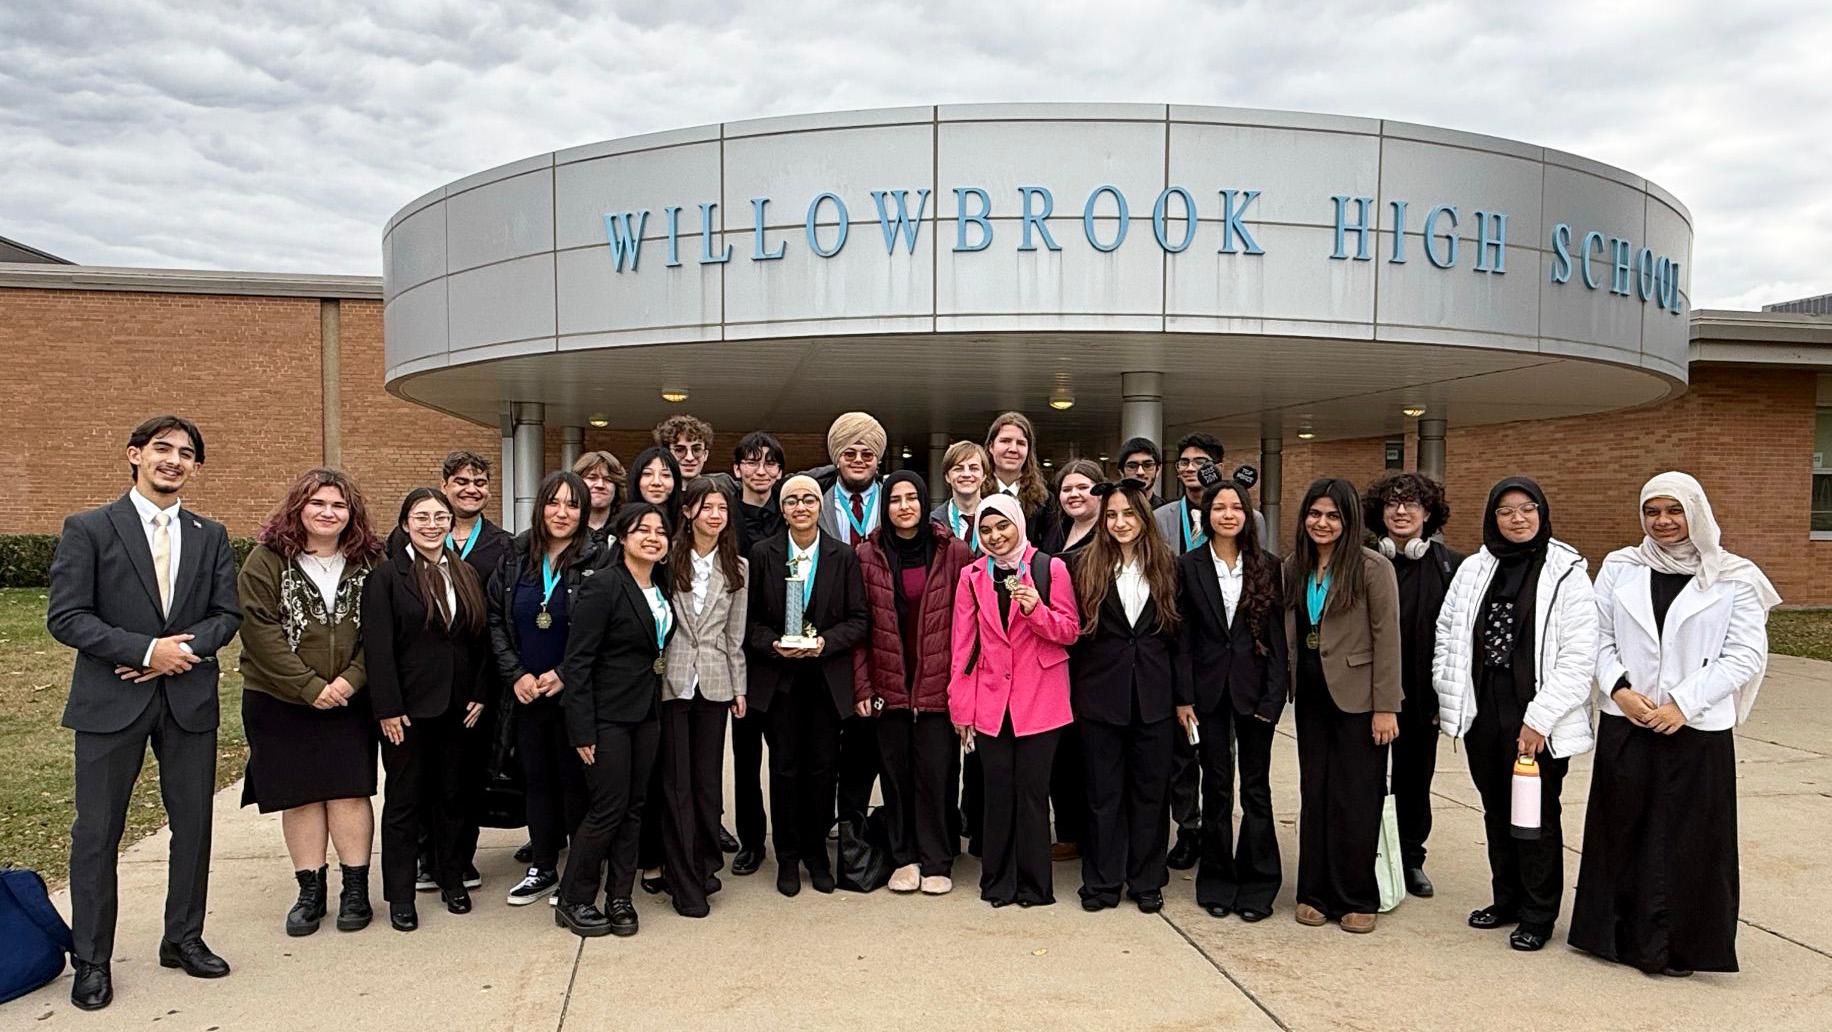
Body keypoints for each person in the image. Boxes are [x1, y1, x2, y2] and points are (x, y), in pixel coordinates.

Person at [48, 415, 242, 1010]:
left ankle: (182, 939)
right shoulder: (89, 528)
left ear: (196, 467)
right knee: (97, 833)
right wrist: (141, 650)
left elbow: (225, 616)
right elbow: (67, 616)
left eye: (187, 454)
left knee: (194, 828)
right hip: (110, 703)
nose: (174, 460)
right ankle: (93, 961)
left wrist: (174, 653)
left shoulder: (211, 534)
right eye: (163, 449)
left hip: (187, 701)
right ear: (135, 454)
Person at [1570, 472, 1780, 976]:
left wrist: (1683, 704)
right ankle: (1616, 938)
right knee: (1622, 829)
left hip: (1695, 728)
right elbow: (1595, 636)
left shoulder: (1735, 575)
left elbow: (1746, 654)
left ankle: (1679, 947)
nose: (1662, 522)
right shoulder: (1621, 567)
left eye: (1673, 511)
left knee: (1688, 840)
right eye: (1651, 511)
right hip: (1630, 718)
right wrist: (1618, 688)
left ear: (1696, 512)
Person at [1432, 477, 1596, 951]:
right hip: (1485, 709)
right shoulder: (1475, 568)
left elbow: (1578, 655)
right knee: (1496, 810)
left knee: (1536, 816)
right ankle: (1506, 900)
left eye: (1527, 509)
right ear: (1492, 517)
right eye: (1506, 511)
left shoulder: (1566, 571)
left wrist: (1538, 719)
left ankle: (1538, 914)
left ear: (1542, 513)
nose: (1517, 519)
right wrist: (1453, 699)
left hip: (1537, 715)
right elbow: (1449, 632)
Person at [237, 468, 385, 937]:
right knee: (299, 794)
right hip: (279, 698)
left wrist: (350, 681)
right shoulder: (266, 560)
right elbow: (259, 629)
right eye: (318, 503)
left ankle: (356, 889)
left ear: (351, 513)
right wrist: (307, 687)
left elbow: (383, 629)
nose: (328, 512)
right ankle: (310, 890)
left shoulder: (370, 561)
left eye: (338, 505)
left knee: (349, 790)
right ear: (298, 508)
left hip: (350, 697)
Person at [363, 488, 491, 932]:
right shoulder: (386, 577)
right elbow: (377, 650)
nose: (432, 524)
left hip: (460, 708)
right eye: (422, 516)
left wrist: (480, 692)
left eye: (441, 516)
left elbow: (478, 640)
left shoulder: (467, 572)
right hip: (408, 713)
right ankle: (400, 895)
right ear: (405, 525)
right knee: (405, 802)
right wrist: (388, 709)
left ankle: (451, 878)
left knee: (453, 797)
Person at [385, 451, 512, 892]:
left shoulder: (502, 545)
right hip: (415, 691)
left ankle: (458, 860)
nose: (471, 488)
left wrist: (484, 687)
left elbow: (490, 626)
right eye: (461, 481)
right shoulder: (398, 552)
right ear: (445, 484)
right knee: (414, 787)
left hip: (469, 687)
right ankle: (424, 858)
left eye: (479, 481)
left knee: (462, 783)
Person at [949, 494, 1080, 908]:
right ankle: (998, 881)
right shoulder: (972, 576)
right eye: (985, 530)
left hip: (1040, 700)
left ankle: (1035, 885)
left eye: (1002, 526)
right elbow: (962, 646)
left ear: (1018, 524)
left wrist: (1036, 609)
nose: (995, 536)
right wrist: (961, 708)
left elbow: (1070, 631)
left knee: (1032, 794)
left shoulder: (1049, 568)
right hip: (991, 700)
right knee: (997, 792)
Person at [1284, 477, 1401, 934]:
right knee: (1316, 793)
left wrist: (1386, 706)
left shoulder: (1372, 568)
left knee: (1356, 797)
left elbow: (1387, 638)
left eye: (1333, 515)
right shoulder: (1294, 565)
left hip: (1360, 699)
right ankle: (1313, 891)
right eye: (1315, 514)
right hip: (1311, 696)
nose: (1322, 523)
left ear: (1349, 521)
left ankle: (1355, 895)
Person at [553, 502, 676, 938]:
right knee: (607, 808)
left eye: (661, 532)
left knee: (634, 808)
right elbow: (578, 662)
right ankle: (574, 898)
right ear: (622, 537)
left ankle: (619, 898)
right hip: (606, 717)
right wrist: (581, 727)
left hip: (647, 713)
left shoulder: (660, 586)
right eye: (642, 530)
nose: (653, 538)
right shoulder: (603, 586)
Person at [486, 471, 607, 907]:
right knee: (535, 779)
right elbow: (495, 621)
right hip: (525, 692)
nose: (562, 513)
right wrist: (515, 673)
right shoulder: (514, 555)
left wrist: (564, 673)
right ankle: (542, 864)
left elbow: (603, 629)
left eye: (572, 505)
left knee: (576, 780)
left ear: (584, 511)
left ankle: (579, 867)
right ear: (540, 507)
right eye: (554, 503)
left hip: (573, 692)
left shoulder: (598, 557)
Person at [746, 474, 870, 897]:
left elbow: (859, 619)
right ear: (782, 510)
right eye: (792, 501)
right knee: (784, 771)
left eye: (809, 500)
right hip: (779, 682)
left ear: (820, 507)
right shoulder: (763, 554)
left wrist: (824, 643)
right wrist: (775, 644)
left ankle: (817, 855)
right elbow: (749, 624)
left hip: (824, 681)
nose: (801, 507)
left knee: (822, 771)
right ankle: (787, 857)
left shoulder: (842, 556)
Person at [854, 472, 974, 895]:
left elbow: (969, 623)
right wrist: (862, 686)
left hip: (938, 686)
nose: (904, 506)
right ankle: (904, 857)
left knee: (937, 774)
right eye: (895, 499)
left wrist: (964, 687)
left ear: (925, 503)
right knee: (896, 775)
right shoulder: (867, 554)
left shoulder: (954, 551)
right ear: (884, 507)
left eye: (912, 498)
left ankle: (938, 859)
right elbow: (860, 626)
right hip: (889, 686)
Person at [1176, 475, 1288, 922]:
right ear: (1206, 515)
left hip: (1254, 692)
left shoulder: (1268, 566)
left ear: (1248, 516)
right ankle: (1218, 880)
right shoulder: (1188, 565)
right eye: (1218, 507)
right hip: (1206, 696)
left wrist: (1274, 698)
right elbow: (1181, 637)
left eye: (1235, 508)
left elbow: (1279, 641)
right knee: (1217, 788)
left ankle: (1259, 885)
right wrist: (1183, 697)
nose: (1227, 514)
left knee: (1256, 790)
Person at [1069, 479, 1181, 913]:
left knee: (1151, 795)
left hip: (1154, 698)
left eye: (1128, 514)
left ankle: (1146, 880)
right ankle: (1101, 882)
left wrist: (1182, 698)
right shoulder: (1082, 566)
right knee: (1102, 795)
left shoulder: (1169, 567)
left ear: (1144, 517)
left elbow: (1179, 639)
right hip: (1099, 698)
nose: (1119, 523)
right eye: (1112, 515)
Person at [1364, 471, 1463, 898]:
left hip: (1423, 697)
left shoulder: (1451, 567)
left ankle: (1409, 858)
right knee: (1366, 777)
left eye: (1411, 504)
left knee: (1414, 780)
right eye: (1392, 504)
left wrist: (1448, 695)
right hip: (1368, 693)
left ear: (1428, 514)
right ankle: (1366, 851)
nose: (1401, 512)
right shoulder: (1364, 561)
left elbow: (1459, 636)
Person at [657, 478, 749, 918]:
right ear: (689, 511)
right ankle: (681, 875)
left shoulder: (738, 569)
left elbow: (736, 637)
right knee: (677, 784)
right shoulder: (666, 559)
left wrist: (739, 687)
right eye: (707, 507)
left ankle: (706, 861)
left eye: (722, 509)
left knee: (708, 782)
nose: (715, 515)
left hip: (715, 683)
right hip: (670, 683)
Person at [814, 412, 886, 832]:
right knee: (826, 740)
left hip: (880, 631)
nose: (858, 459)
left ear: (878, 460)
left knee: (867, 739)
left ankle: (855, 823)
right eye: (849, 452)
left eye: (867, 453)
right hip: (831, 633)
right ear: (836, 458)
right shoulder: (816, 503)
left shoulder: (896, 499)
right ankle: (821, 821)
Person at [1037, 457, 1103, 863]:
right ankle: (1069, 831)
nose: (1075, 495)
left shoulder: (1107, 537)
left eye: (1084, 487)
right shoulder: (1055, 532)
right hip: (1055, 653)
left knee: (1092, 749)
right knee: (1060, 747)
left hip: (1094, 656)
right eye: (1067, 489)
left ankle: (1096, 833)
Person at [728, 431, 786, 874]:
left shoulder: (791, 515)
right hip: (738, 655)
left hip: (784, 655)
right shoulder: (723, 517)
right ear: (737, 470)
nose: (760, 470)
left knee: (786, 758)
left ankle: (790, 837)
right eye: (752, 462)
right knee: (746, 762)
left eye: (769, 463)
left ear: (780, 473)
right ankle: (751, 841)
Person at [982, 411, 1058, 546]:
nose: (1013, 449)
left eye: (1021, 443)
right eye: (1005, 441)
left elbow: (1050, 550)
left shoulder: (1045, 500)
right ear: (991, 447)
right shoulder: (976, 495)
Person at [931, 440, 989, 546]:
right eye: (958, 468)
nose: (966, 474)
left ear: (984, 475)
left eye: (973, 468)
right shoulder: (932, 524)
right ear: (947, 477)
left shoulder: (998, 519)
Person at [1039, 459, 1102, 557]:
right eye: (1066, 490)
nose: (1073, 494)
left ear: (1100, 492)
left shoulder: (1111, 531)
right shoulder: (1055, 530)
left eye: (1082, 487)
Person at [571, 450, 626, 546]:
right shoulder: (566, 527)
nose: (600, 485)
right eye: (592, 478)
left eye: (608, 479)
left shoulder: (627, 529)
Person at [626, 446, 684, 530]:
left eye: (665, 475)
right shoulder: (620, 524)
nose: (656, 482)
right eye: (647, 474)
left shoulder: (687, 524)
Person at [1115, 437, 1165, 508]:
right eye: (1132, 466)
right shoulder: (1110, 509)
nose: (1140, 472)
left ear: (1158, 470)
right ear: (1121, 472)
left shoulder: (1169, 514)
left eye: (1147, 465)